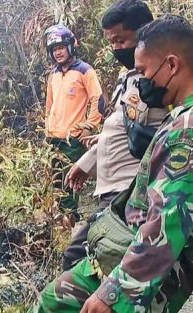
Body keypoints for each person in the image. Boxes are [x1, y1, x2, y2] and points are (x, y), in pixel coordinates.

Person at [29, 14, 193, 313]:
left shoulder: (186, 131)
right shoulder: (179, 115)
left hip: (148, 269)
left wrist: (116, 293)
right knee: (53, 298)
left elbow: (168, 222)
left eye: (144, 71)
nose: (141, 81)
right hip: (127, 246)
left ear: (172, 64)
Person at [62, 0, 168, 271]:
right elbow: (125, 128)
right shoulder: (130, 78)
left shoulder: (155, 82)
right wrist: (87, 162)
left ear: (144, 32)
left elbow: (156, 134)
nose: (115, 48)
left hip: (127, 193)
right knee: (88, 260)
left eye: (121, 40)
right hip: (111, 191)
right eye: (111, 42)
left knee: (81, 259)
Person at [44, 25, 103, 221]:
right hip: (53, 139)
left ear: (70, 46)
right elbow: (49, 106)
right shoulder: (53, 75)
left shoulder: (84, 71)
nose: (58, 52)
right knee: (55, 185)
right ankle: (62, 224)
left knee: (68, 185)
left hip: (72, 140)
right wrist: (47, 130)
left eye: (61, 47)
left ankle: (71, 225)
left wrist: (89, 126)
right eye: (54, 49)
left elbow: (98, 99)